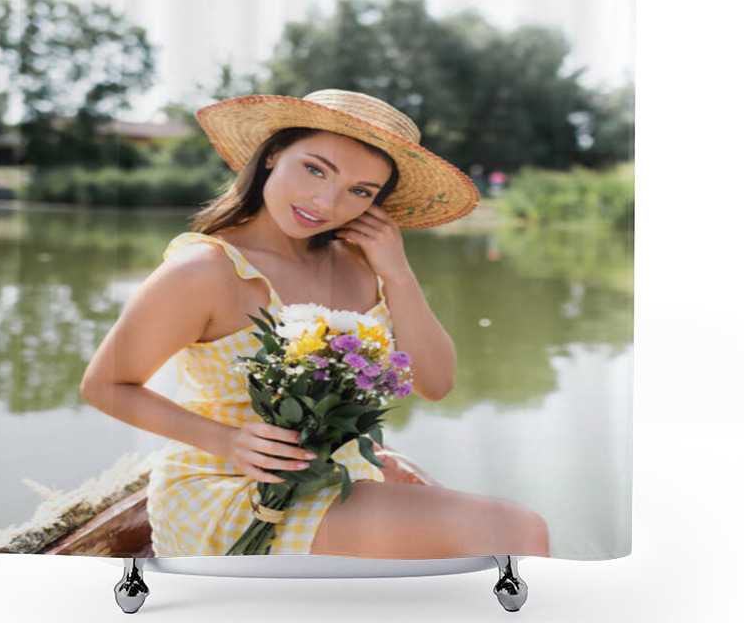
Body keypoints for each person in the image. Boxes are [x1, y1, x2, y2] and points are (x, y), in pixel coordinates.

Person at [80, 88, 550, 559]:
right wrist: (228, 440)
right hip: (229, 492)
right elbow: (105, 385)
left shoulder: (362, 263)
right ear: (273, 155)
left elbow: (435, 383)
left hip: (336, 480)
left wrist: (398, 274)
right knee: (516, 529)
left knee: (491, 544)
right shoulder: (205, 270)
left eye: (359, 192)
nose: (325, 201)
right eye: (315, 168)